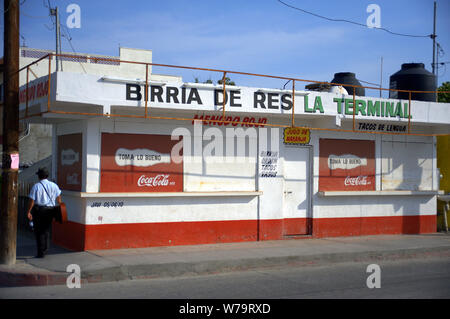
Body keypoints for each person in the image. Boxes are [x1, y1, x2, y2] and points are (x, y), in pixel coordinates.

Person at [26, 167, 62, 258]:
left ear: (39, 176)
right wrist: (60, 207)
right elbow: (59, 199)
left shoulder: (36, 186)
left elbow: (32, 200)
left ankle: (40, 253)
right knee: (46, 230)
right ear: (47, 176)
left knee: (39, 232)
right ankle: (45, 249)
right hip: (51, 210)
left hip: (40, 211)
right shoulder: (54, 185)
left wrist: (29, 211)